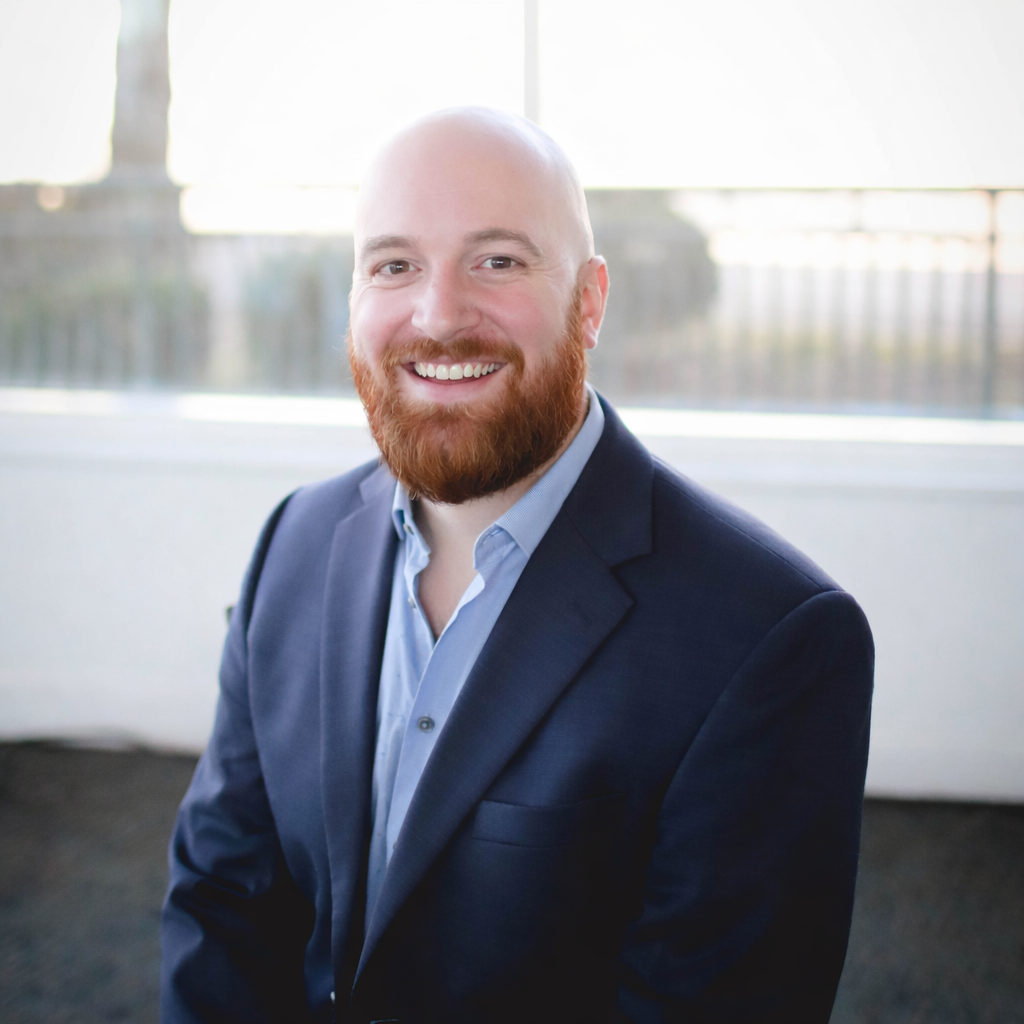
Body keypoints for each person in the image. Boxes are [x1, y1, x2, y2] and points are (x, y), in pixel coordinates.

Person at [161, 108, 874, 1024]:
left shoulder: (770, 639)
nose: (440, 314)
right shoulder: (294, 546)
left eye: (497, 260)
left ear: (590, 301)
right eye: (394, 265)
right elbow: (222, 900)